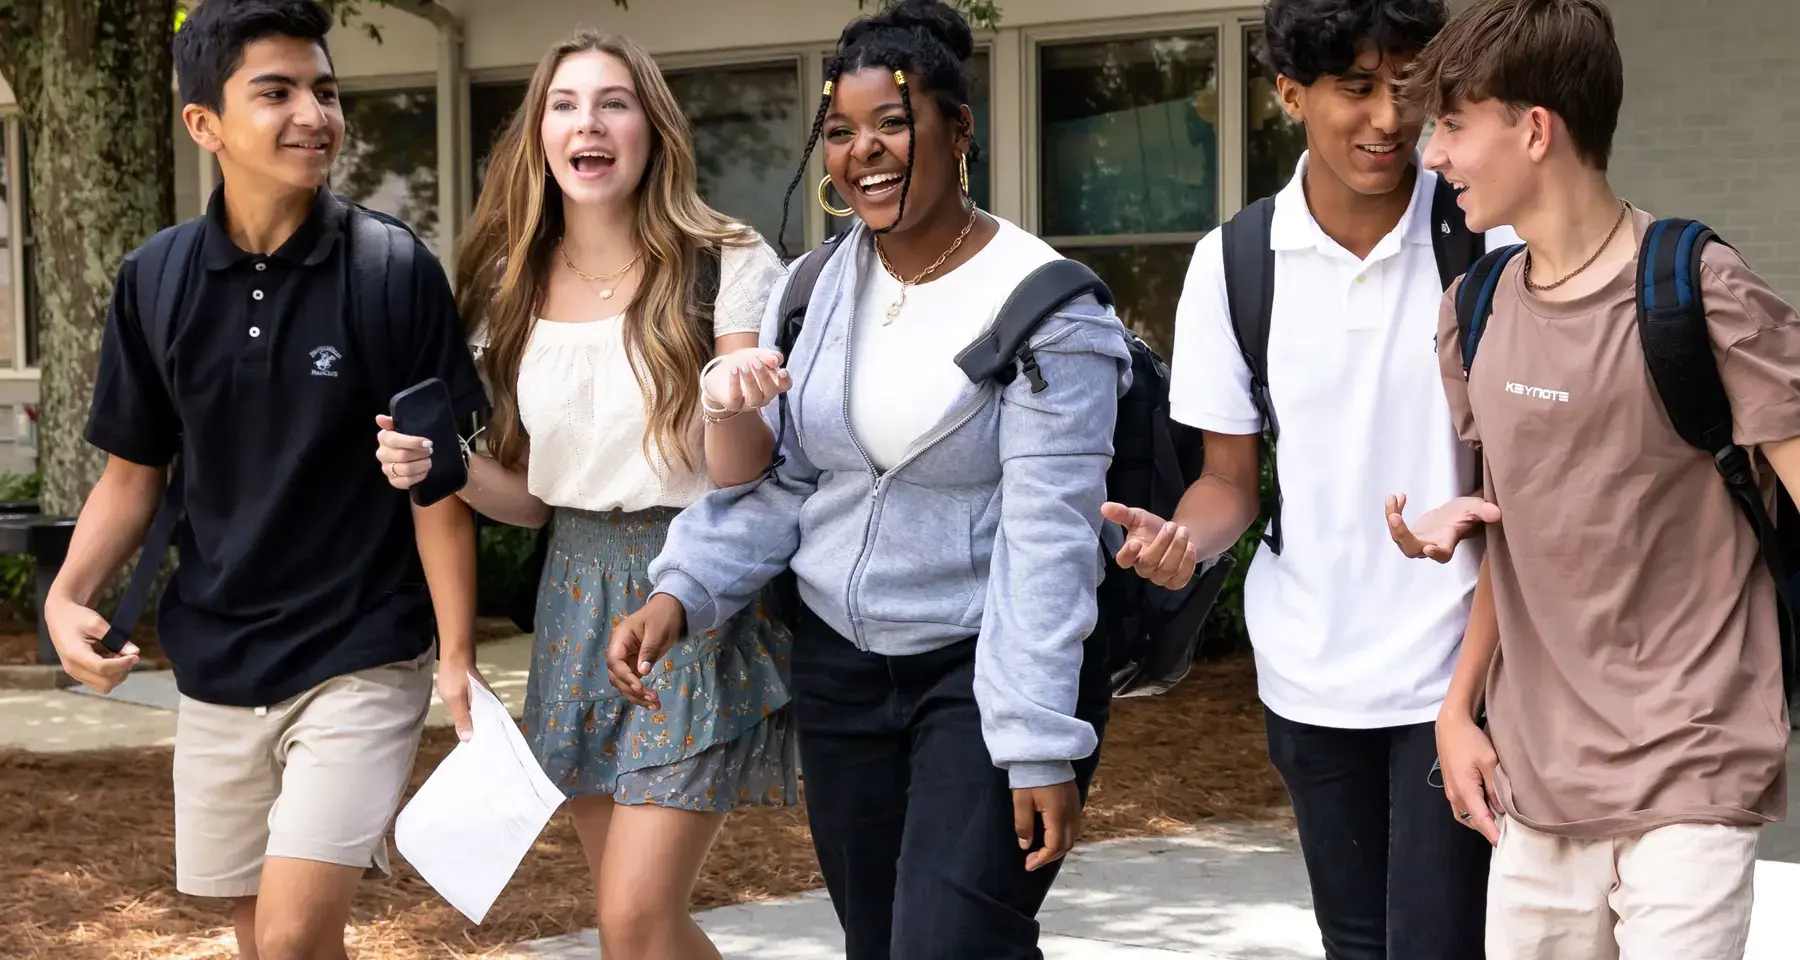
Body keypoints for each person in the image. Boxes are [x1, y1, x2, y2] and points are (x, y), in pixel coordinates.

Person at [602, 2, 1131, 956]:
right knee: (882, 942)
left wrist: (1038, 737)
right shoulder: (814, 290)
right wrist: (679, 592)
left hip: (982, 670)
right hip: (843, 670)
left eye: (893, 122)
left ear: (957, 130)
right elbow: (788, 484)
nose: (865, 152)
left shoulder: (1046, 303)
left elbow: (1051, 540)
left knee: (951, 940)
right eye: (840, 132)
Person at [41, 2, 485, 957]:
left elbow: (433, 484)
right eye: (275, 92)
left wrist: (454, 654)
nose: (313, 115)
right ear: (204, 124)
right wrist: (68, 597)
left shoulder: (389, 269)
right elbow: (132, 474)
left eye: (323, 90)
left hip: (359, 651)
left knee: (287, 935)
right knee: (264, 939)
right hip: (218, 660)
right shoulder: (153, 280)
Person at [1098, 1, 1519, 956]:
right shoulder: (1236, 262)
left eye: (1409, 83)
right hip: (1309, 674)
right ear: (1290, 95)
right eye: (1356, 88)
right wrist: (1182, 544)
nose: (1388, 118)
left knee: (1441, 941)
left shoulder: (1485, 242)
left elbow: (1518, 474)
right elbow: (1229, 481)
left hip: (1460, 666)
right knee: (1357, 944)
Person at [370, 29, 796, 960]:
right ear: (538, 134)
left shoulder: (724, 259)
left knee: (635, 917)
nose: (588, 123)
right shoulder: (504, 286)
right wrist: (439, 465)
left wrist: (727, 399)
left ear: (652, 128)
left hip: (693, 586)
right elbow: (528, 501)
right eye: (564, 104)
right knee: (633, 924)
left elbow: (741, 475)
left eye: (613, 102)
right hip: (573, 595)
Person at [1387, 0, 1798, 956]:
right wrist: (1458, 708)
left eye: (1451, 124)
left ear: (1535, 130)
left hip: (1694, 769)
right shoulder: (1474, 313)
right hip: (1536, 789)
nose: (1432, 155)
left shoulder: (1700, 291)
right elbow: (1516, 537)